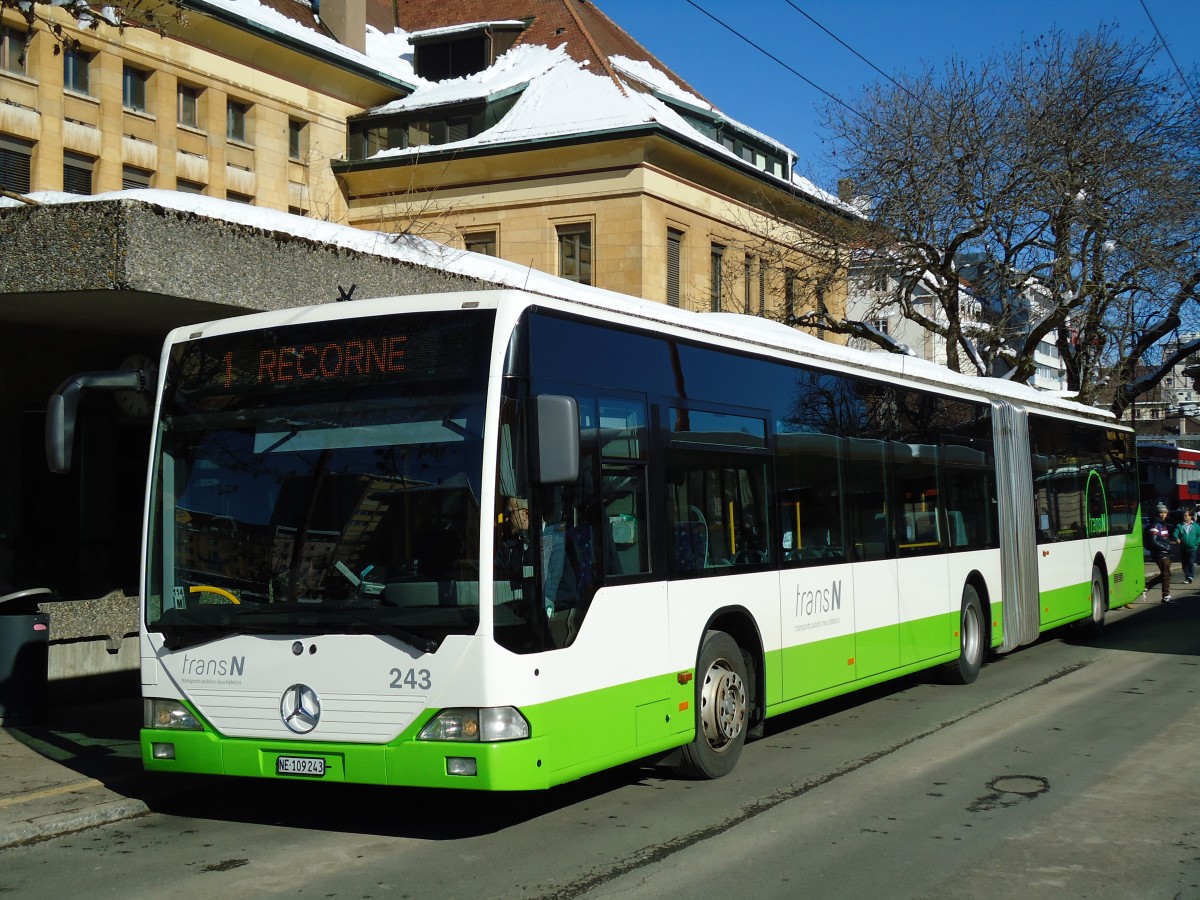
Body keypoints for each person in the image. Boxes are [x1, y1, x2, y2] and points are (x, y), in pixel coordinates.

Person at [1145, 503, 1174, 604]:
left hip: (1164, 553)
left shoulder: (1162, 524)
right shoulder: (1155, 525)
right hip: (1160, 554)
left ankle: (1146, 587)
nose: (1163, 514)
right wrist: (1166, 547)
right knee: (1166, 575)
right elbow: (1153, 541)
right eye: (1161, 512)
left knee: (1165, 574)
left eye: (1165, 512)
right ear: (1157, 513)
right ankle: (1166, 597)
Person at [1173, 508, 1199, 585]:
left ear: (1190, 516)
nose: (1184, 516)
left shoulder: (1196, 526)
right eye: (1184, 515)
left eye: (1185, 515)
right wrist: (1177, 538)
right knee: (1184, 564)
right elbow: (1175, 533)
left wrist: (1196, 543)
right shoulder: (1180, 525)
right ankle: (1187, 575)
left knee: (1190, 562)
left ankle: (1190, 576)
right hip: (1183, 547)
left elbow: (1199, 535)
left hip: (1192, 548)